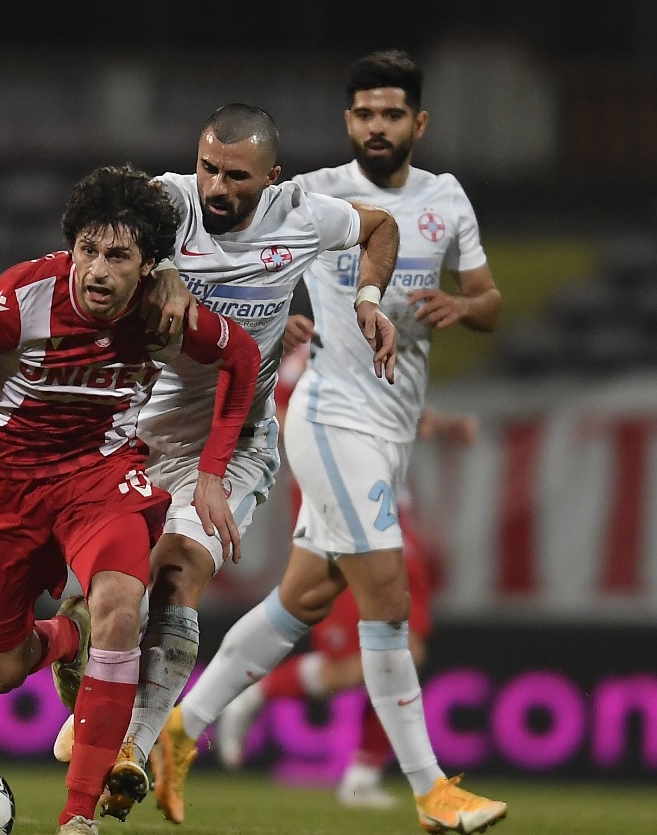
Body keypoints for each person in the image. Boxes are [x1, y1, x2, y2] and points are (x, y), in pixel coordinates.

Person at [158, 51, 507, 834]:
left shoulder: (445, 199)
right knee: (389, 599)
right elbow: (233, 257)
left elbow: (489, 304)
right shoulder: (304, 193)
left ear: (417, 123)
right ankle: (429, 789)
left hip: (388, 429)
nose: (374, 127)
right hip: (329, 415)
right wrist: (269, 314)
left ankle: (183, 728)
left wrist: (459, 304)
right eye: (361, 114)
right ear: (347, 122)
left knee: (306, 598)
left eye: (390, 114)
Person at [0, 164, 262, 835]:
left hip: (99, 477)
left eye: (117, 255)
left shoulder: (161, 312)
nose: (95, 269)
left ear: (148, 265)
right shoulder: (21, 296)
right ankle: (72, 634)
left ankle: (77, 815)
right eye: (87, 249)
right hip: (1, 487)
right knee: (2, 671)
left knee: (123, 609)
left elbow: (240, 358)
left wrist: (211, 471)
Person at [84, 103, 401, 823]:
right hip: (136, 422)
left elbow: (379, 226)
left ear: (272, 178)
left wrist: (367, 296)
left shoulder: (302, 215)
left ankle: (131, 750)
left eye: (235, 176)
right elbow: (93, 228)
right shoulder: (165, 204)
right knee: (108, 592)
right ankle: (86, 673)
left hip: (234, 433)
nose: (216, 188)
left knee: (179, 570)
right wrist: (155, 266)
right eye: (208, 168)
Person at [214, 321, 480, 812]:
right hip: (338, 512)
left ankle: (361, 776)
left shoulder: (381, 346)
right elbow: (274, 407)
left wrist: (443, 427)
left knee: (409, 650)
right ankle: (252, 695)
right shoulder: (311, 351)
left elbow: (398, 415)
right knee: (345, 669)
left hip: (394, 514)